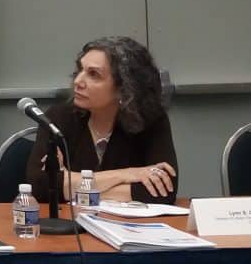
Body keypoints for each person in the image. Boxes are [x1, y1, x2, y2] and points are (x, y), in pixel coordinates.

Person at [25, 36, 177, 204]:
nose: (78, 81)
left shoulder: (150, 121)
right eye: (80, 71)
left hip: (129, 227)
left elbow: (162, 191)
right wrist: (126, 175)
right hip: (73, 225)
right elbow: (41, 185)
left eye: (93, 75)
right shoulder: (59, 118)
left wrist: (72, 184)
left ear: (124, 87)